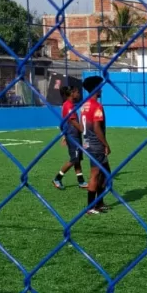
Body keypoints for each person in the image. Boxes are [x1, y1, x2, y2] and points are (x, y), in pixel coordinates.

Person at [82, 76, 111, 215]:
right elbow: (96, 127)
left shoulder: (85, 104)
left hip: (88, 143)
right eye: (100, 86)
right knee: (95, 174)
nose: (102, 89)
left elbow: (84, 126)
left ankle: (99, 202)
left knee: (106, 174)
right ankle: (90, 206)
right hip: (96, 144)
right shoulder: (96, 106)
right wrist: (106, 144)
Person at [53, 85, 88, 190]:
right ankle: (57, 178)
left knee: (77, 159)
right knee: (74, 159)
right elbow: (72, 121)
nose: (79, 94)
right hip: (73, 136)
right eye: (77, 92)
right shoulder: (68, 105)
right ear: (72, 93)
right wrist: (83, 130)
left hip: (73, 135)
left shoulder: (68, 105)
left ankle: (81, 182)